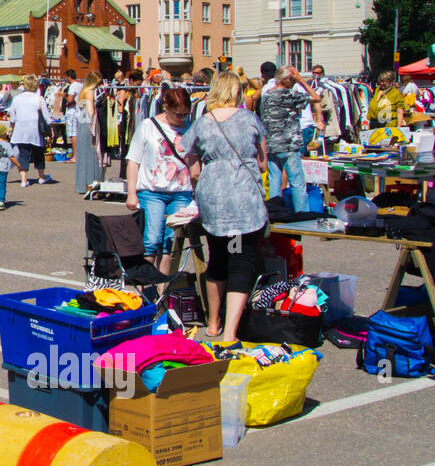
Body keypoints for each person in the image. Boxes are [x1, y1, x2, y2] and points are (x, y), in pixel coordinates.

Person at [180, 71, 269, 342]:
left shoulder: (202, 123)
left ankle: (213, 323)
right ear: (237, 92)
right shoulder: (250, 120)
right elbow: (263, 163)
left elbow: (192, 167)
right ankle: (230, 331)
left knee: (217, 258)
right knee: (240, 260)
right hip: (243, 199)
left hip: (215, 198)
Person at [125, 87, 194, 279]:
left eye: (185, 114)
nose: (181, 118)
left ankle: (164, 289)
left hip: (181, 192)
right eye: (177, 114)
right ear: (166, 107)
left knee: (172, 244)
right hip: (152, 191)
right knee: (151, 240)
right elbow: (133, 160)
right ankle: (145, 286)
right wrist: (132, 193)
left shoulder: (191, 128)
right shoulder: (148, 125)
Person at [259, 66, 322, 212]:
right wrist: (302, 81)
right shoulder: (288, 94)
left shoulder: (267, 94)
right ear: (286, 80)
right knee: (297, 182)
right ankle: (302, 214)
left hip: (271, 144)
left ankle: (275, 212)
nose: (294, 83)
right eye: (293, 80)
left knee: (275, 179)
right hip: (288, 145)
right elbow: (316, 98)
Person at [9, 74, 53, 187]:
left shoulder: (16, 99)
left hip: (20, 129)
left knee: (24, 154)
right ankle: (42, 176)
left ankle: (24, 179)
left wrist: (11, 129)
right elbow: (47, 117)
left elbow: (12, 117)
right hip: (35, 130)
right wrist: (51, 129)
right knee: (38, 153)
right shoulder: (39, 98)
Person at [74, 71, 104, 193]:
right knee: (91, 153)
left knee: (83, 154)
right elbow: (91, 111)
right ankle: (91, 181)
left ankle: (82, 183)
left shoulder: (82, 92)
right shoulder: (90, 93)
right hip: (88, 123)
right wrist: (95, 126)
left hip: (82, 122)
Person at [0, 121, 23, 209]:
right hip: (3, 169)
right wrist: (18, 165)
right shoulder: (7, 145)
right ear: (3, 134)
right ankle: (1, 201)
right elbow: (11, 157)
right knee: (1, 185)